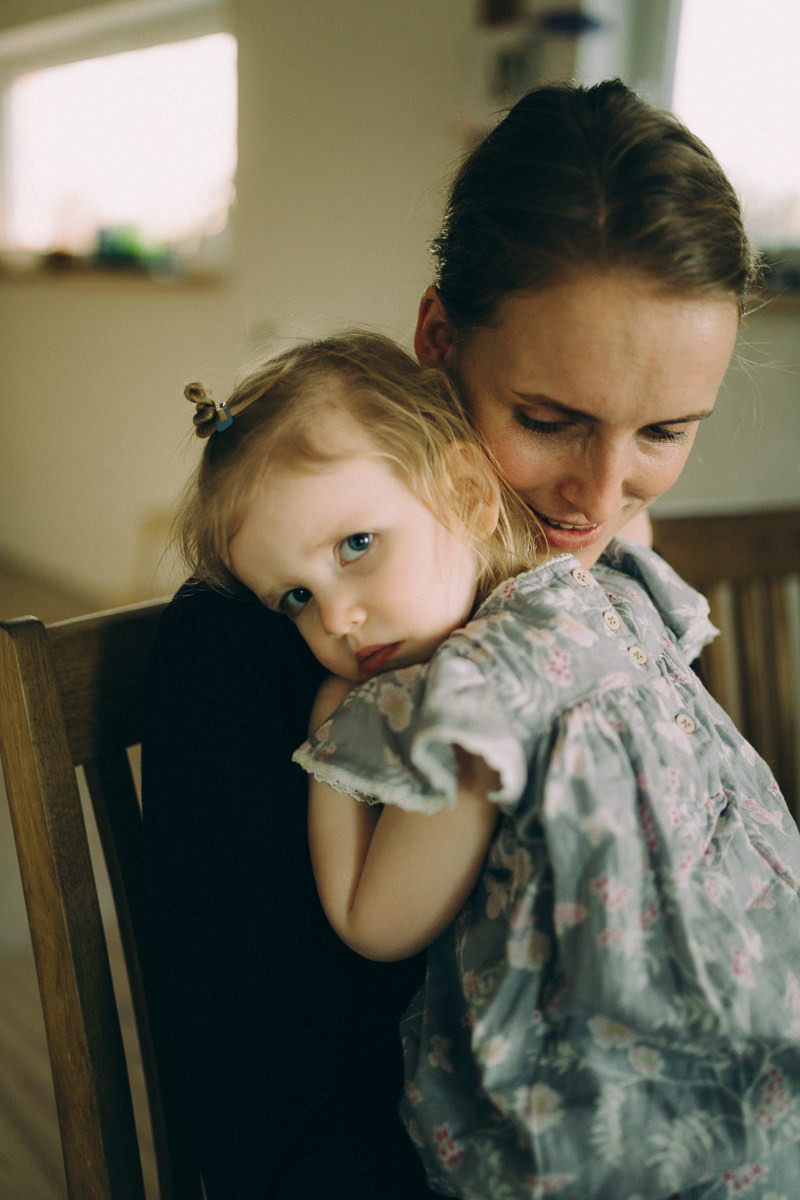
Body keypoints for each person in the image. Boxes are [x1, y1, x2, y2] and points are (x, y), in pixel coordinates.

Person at [141, 77, 764, 1198]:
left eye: (663, 432)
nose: (598, 496)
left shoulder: (605, 586)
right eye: (547, 420)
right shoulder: (265, 655)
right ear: (436, 338)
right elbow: (266, 1126)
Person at [179, 328, 800, 1200]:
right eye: (296, 599)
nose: (340, 620)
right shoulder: (602, 587)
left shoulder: (475, 695)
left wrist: (328, 742)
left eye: (357, 545)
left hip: (621, 1110)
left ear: (470, 493)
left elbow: (376, 919)